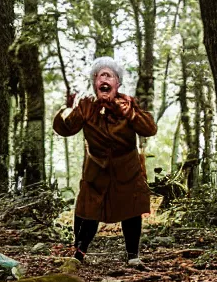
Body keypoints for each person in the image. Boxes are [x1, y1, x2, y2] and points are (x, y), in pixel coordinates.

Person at [53, 56, 158, 266]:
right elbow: (66, 129)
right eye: (100, 75)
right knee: (87, 211)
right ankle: (79, 254)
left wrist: (130, 114)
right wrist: (67, 107)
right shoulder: (86, 106)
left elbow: (149, 129)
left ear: (117, 83)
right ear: (94, 84)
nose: (104, 78)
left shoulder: (128, 103)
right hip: (96, 170)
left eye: (109, 75)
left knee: (131, 210)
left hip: (126, 169)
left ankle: (133, 256)